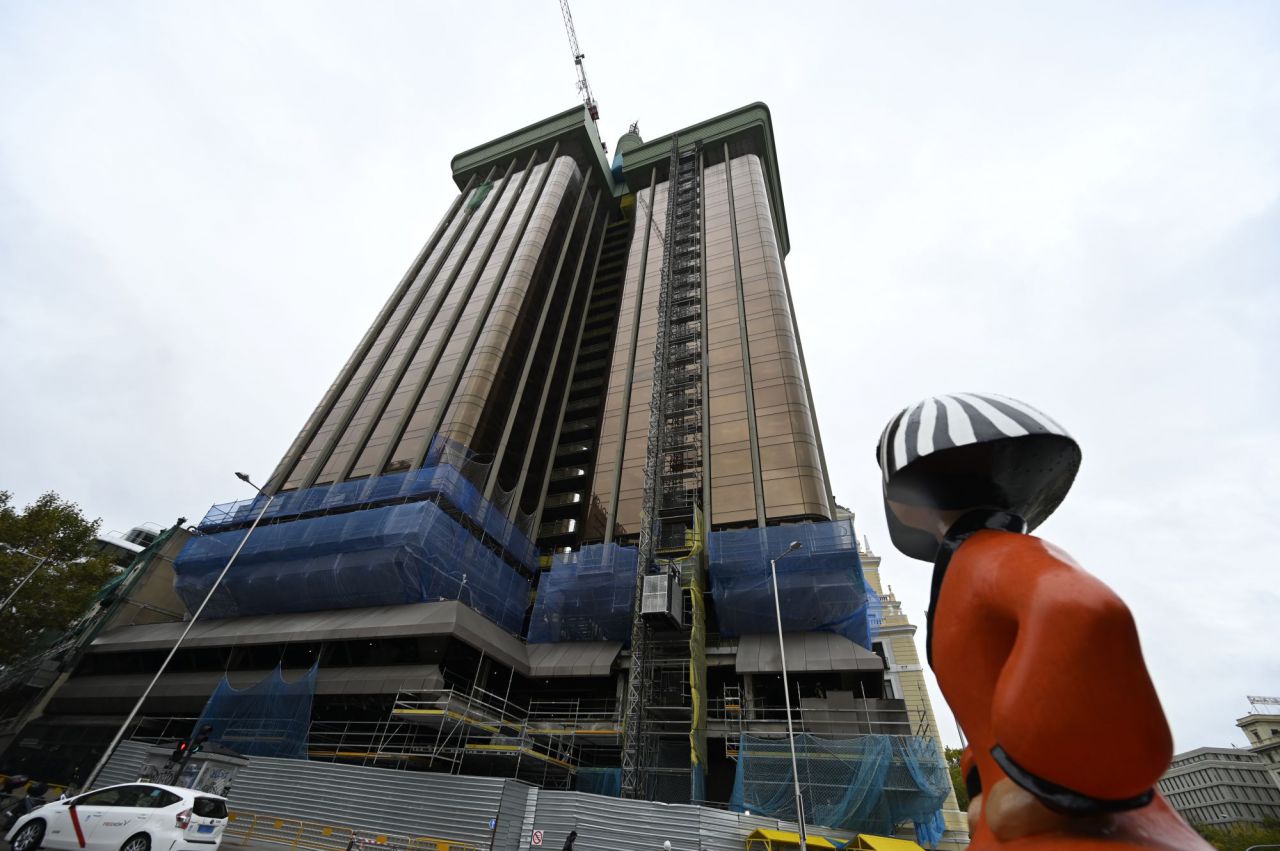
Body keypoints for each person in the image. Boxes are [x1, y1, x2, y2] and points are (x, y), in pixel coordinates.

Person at [875, 393, 1211, 849]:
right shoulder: (976, 562)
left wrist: (1040, 782)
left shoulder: (989, 557)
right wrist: (985, 776)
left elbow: (1080, 612)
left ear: (904, 498)